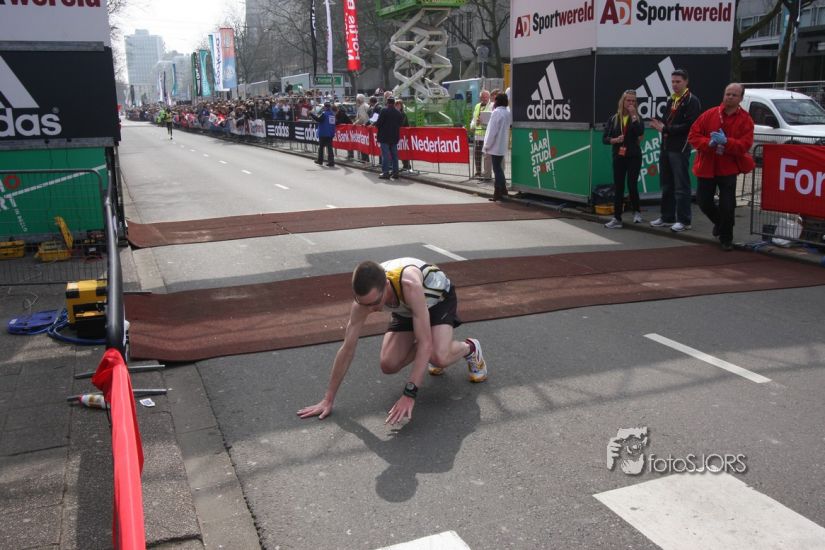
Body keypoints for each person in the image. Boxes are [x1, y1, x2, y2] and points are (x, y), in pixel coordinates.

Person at [297, 258, 488, 425]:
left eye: (375, 303)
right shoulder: (363, 303)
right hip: (406, 309)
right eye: (364, 304)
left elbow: (424, 343)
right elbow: (347, 349)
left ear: (387, 285)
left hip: (437, 301)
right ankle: (432, 348)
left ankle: (470, 348)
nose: (371, 309)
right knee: (389, 364)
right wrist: (328, 399)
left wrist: (409, 394)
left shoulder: (409, 284)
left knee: (438, 357)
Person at [687, 83, 755, 251]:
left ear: (741, 98)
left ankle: (726, 238)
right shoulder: (709, 114)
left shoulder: (746, 119)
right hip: (707, 166)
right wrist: (708, 143)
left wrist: (726, 142)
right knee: (704, 202)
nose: (729, 97)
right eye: (727, 94)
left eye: (734, 95)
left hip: (728, 168)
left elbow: (745, 145)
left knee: (728, 205)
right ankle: (720, 223)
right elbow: (693, 135)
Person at [648, 68, 701, 232]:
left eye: (678, 82)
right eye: (672, 82)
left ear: (686, 82)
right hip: (666, 146)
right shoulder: (672, 99)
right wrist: (660, 126)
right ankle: (667, 217)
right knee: (666, 184)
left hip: (680, 147)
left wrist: (666, 128)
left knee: (681, 185)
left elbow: (690, 126)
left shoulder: (692, 100)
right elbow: (666, 121)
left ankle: (684, 220)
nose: (675, 85)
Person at [602, 90, 645, 228]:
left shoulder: (637, 117)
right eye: (628, 100)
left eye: (633, 101)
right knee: (619, 186)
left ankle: (637, 212)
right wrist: (615, 140)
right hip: (619, 156)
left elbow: (640, 132)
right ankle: (617, 218)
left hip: (634, 156)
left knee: (632, 185)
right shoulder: (614, 118)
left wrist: (634, 115)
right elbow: (605, 138)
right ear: (623, 101)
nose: (631, 103)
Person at [482, 93, 512, 202]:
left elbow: (492, 131)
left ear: (497, 101)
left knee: (497, 169)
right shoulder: (507, 113)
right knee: (499, 168)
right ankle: (503, 190)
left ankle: (498, 192)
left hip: (495, 145)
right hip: (502, 144)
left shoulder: (496, 113)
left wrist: (486, 145)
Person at [374, 96, 403, 180]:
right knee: (394, 156)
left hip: (384, 136)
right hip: (394, 137)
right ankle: (395, 173)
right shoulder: (398, 113)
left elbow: (379, 123)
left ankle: (385, 173)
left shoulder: (384, 110)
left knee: (385, 155)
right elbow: (400, 124)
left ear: (387, 102)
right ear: (394, 103)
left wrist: (376, 124)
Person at [470, 90, 493, 180]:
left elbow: (491, 120)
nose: (484, 99)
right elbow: (474, 118)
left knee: (487, 156)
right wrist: (472, 126)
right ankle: (478, 172)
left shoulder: (491, 106)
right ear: (480, 98)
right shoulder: (477, 106)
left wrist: (482, 122)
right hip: (478, 135)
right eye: (483, 97)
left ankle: (487, 173)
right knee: (477, 155)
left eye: (486, 97)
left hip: (486, 135)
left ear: (489, 97)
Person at [311, 101, 337, 167]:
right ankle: (331, 162)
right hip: (330, 133)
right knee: (330, 148)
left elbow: (318, 119)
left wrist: (311, 115)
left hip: (323, 133)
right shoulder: (332, 114)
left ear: (325, 107)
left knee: (321, 147)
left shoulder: (324, 114)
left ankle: (320, 161)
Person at [395, 99, 412, 172]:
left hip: (404, 135)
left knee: (404, 150)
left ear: (401, 106)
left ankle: (407, 166)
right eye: (396, 105)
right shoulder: (396, 113)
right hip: (398, 135)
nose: (397, 106)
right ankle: (405, 165)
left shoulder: (403, 114)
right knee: (400, 151)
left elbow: (401, 124)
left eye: (399, 105)